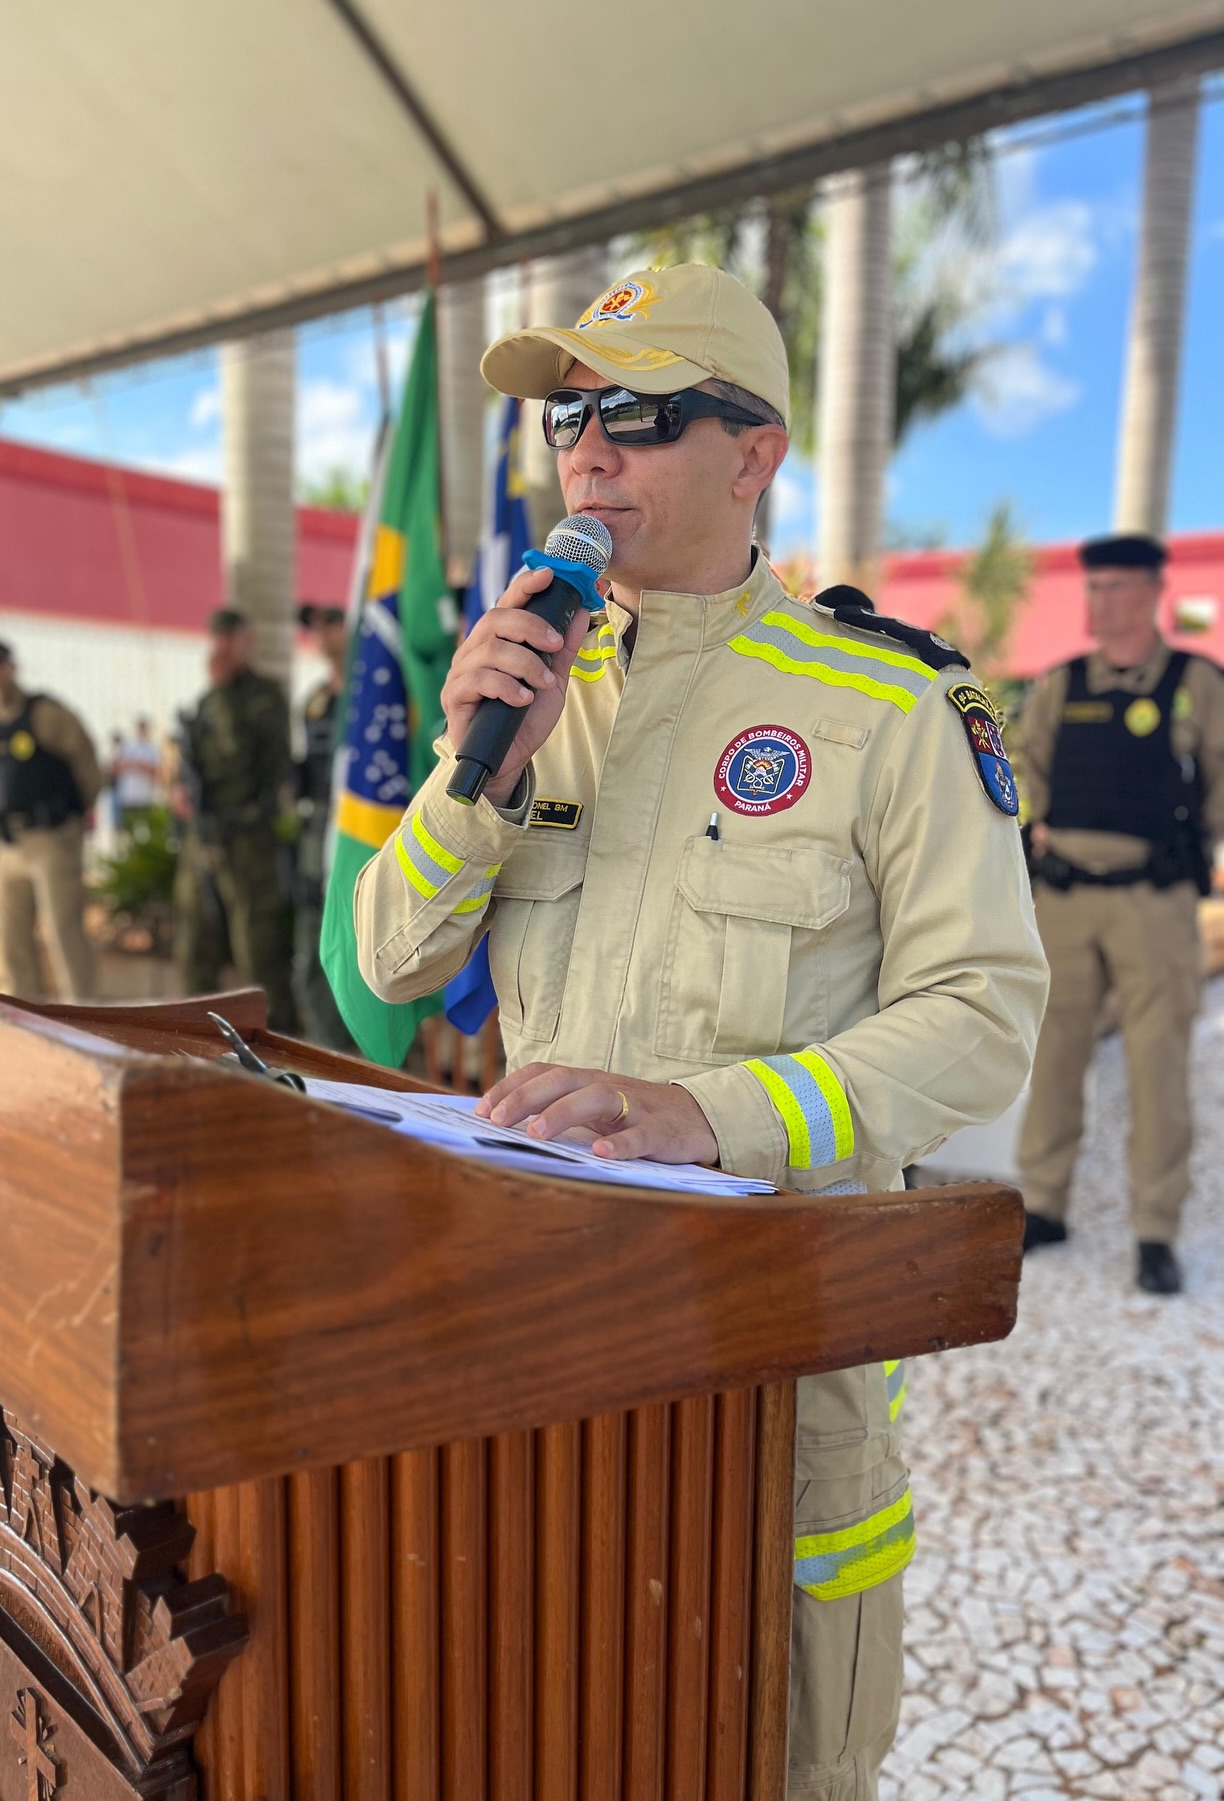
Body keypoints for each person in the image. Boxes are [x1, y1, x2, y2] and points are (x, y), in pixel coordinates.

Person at [352, 264, 1048, 1801]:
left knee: (770, 1763)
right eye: (568, 417)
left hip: (775, 1374)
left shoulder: (888, 705)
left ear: (756, 455)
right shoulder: (532, 685)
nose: (589, 450)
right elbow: (393, 964)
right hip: (539, 1337)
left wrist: (708, 1117)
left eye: (643, 412)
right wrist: (474, 776)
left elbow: (985, 1015)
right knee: (545, 1729)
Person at [1014, 533, 1224, 1296]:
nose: (1098, 602)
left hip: (1153, 899)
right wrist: (1033, 832)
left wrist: (1196, 848)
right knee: (1054, 1057)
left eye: (1115, 587)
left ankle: (1155, 1229)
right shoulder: (1062, 683)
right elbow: (1024, 767)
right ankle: (1044, 1204)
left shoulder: (1195, 681)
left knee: (1156, 1065)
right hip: (1066, 896)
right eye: (1092, 587)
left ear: (1152, 591)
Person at [172, 608, 298, 1031]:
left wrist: (223, 692)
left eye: (231, 638)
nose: (222, 648)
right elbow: (197, 762)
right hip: (203, 833)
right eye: (218, 638)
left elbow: (239, 756)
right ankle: (195, 1025)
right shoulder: (206, 701)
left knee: (256, 939)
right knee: (194, 933)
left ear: (247, 641)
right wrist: (180, 789)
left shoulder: (265, 696)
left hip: (247, 833)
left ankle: (274, 1028)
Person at [0, 639, 101, 1000]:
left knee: (63, 933)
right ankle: (23, 1014)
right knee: (11, 939)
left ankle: (83, 1012)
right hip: (7, 845)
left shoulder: (46, 714)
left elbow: (87, 766)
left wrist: (72, 822)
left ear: (11, 667)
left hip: (51, 837)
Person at [293, 604, 354, 1048]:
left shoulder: (376, 694)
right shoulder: (314, 701)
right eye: (317, 627)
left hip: (358, 828)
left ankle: (354, 1044)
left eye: (331, 623)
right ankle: (324, 1042)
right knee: (314, 929)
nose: (322, 633)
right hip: (316, 829)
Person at [113, 715, 162, 837]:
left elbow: (156, 771)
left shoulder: (152, 748)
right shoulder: (128, 746)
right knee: (128, 832)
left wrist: (138, 765)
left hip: (145, 798)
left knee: (144, 832)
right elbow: (118, 767)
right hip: (128, 797)